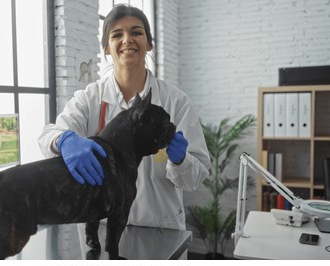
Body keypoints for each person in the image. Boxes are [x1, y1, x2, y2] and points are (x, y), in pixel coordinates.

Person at [38, 4, 210, 231]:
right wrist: (64, 140)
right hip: (100, 229)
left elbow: (195, 179)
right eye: (117, 34)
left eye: (136, 32)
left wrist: (180, 160)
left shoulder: (175, 101)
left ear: (149, 44)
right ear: (107, 48)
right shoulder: (90, 98)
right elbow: (47, 135)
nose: (127, 39)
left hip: (159, 228)